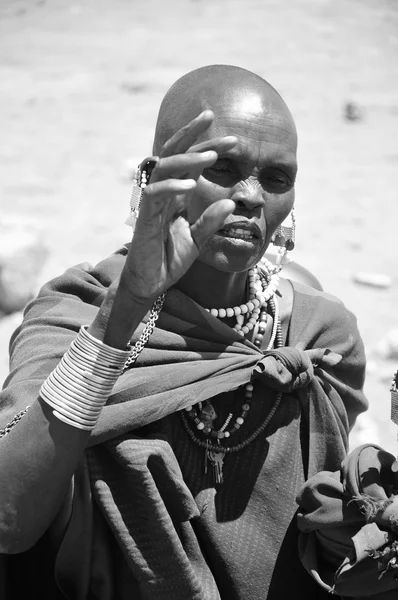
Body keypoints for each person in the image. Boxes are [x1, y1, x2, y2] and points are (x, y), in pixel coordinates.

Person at [0, 65, 368, 599]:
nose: (251, 196)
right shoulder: (80, 310)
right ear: (155, 175)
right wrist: (127, 308)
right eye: (222, 167)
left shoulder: (317, 335)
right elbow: (10, 521)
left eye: (276, 178)